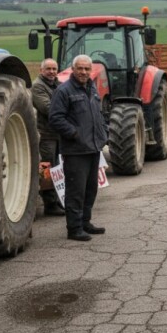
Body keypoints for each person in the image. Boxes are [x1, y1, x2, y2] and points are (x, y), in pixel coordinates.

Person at [49, 55, 108, 241]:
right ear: (73, 70)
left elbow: (98, 115)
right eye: (80, 69)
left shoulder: (92, 89)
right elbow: (55, 118)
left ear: (91, 70)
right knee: (76, 191)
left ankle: (85, 222)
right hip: (75, 151)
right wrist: (74, 134)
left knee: (90, 189)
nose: (83, 72)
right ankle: (74, 228)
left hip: (93, 148)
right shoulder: (64, 91)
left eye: (87, 69)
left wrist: (103, 133)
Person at [32, 58, 65, 216]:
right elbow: (47, 108)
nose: (52, 72)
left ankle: (58, 200)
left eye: (54, 69)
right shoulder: (38, 86)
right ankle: (50, 204)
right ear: (41, 70)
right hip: (46, 135)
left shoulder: (58, 84)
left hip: (58, 134)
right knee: (46, 169)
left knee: (57, 169)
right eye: (48, 69)